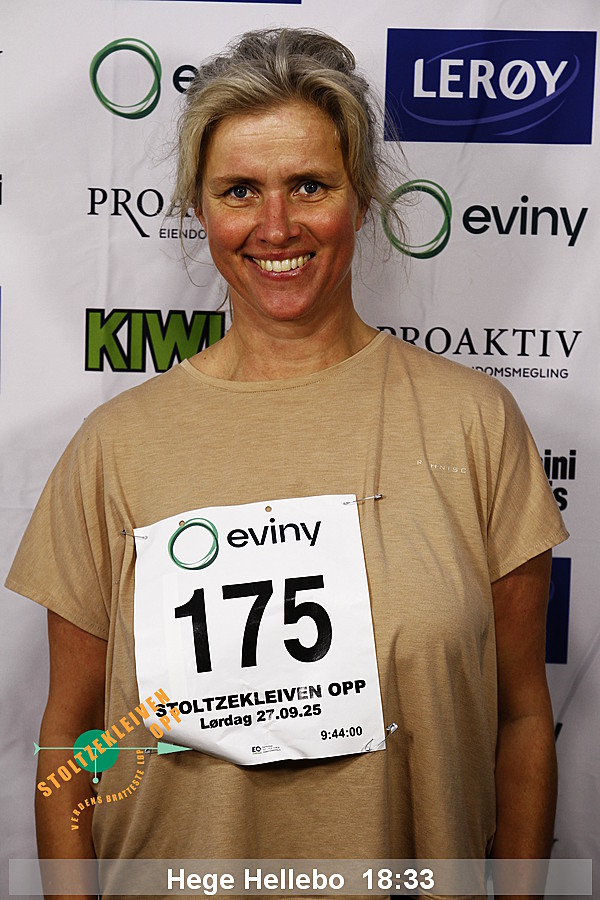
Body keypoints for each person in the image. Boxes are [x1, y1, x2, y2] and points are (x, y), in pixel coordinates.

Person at [7, 26, 568, 899]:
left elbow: (524, 717)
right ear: (200, 211)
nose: (276, 226)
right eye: (240, 190)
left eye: (310, 184)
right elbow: (69, 735)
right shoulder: (114, 449)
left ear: (362, 197)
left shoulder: (475, 424)